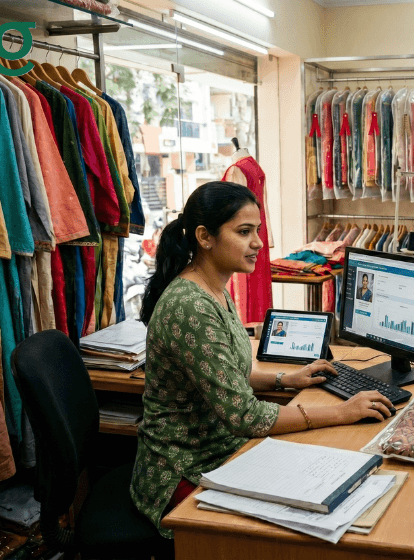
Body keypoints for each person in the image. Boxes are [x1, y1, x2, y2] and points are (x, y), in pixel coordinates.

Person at [131, 182, 393, 539]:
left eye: (257, 231)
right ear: (204, 236)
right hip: (184, 470)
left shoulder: (215, 288)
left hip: (222, 452)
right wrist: (343, 412)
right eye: (244, 232)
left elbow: (227, 374)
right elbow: (244, 416)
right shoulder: (189, 305)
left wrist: (286, 380)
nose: (258, 243)